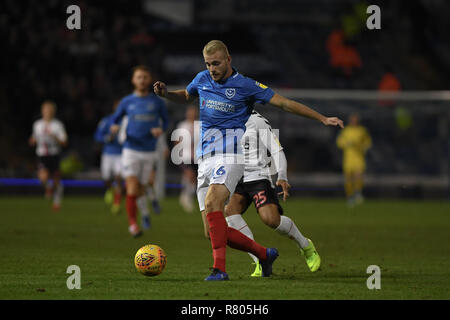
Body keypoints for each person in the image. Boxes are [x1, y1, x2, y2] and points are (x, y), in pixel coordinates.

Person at [154, 40, 343, 281]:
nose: (212, 68)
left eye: (216, 63)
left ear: (229, 59)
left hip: (230, 157)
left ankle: (219, 270)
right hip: (205, 160)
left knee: (221, 206)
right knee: (211, 231)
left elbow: (284, 103)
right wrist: (166, 94)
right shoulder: (202, 79)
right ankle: (263, 255)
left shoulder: (245, 85)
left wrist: (321, 118)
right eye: (208, 64)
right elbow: (186, 96)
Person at [221, 110, 320, 277]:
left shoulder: (257, 121)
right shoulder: (225, 118)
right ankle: (259, 260)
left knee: (271, 220)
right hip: (237, 178)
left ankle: (305, 245)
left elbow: (276, 150)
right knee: (230, 211)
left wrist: (282, 175)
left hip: (258, 176)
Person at [110, 65, 169, 237]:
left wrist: (161, 130)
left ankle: (144, 214)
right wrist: (114, 126)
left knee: (142, 188)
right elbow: (116, 118)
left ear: (149, 79)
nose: (142, 80)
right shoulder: (127, 101)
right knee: (132, 187)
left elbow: (165, 121)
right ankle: (133, 225)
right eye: (138, 77)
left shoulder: (156, 102)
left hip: (149, 150)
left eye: (144, 77)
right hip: (131, 150)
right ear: (133, 80)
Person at [29, 100, 68, 211]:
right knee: (43, 177)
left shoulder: (58, 125)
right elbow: (33, 138)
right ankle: (48, 188)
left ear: (53, 112)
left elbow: (64, 142)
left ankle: (56, 203)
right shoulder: (37, 124)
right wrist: (32, 140)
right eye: (46, 110)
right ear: (42, 111)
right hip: (42, 154)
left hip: (54, 154)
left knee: (56, 180)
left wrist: (55, 138)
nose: (48, 112)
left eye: (50, 110)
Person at [94, 100, 123, 215]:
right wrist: (107, 138)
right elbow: (97, 136)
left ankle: (116, 203)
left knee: (118, 178)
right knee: (106, 178)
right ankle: (110, 189)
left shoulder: (126, 121)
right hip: (108, 153)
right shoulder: (107, 120)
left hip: (121, 154)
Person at [336, 113, 372, 207]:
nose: (354, 121)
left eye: (355, 119)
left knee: (358, 176)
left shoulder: (362, 130)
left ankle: (358, 193)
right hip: (348, 158)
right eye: (352, 119)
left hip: (359, 158)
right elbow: (339, 142)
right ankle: (350, 196)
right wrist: (346, 144)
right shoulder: (346, 131)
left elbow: (367, 142)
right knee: (349, 179)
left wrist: (364, 147)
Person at [174, 105, 199, 213]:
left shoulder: (200, 125)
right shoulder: (182, 125)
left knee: (194, 179)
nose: (192, 114)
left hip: (197, 157)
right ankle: (186, 198)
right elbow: (177, 141)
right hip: (185, 156)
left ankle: (185, 195)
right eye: (190, 112)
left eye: (194, 112)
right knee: (190, 176)